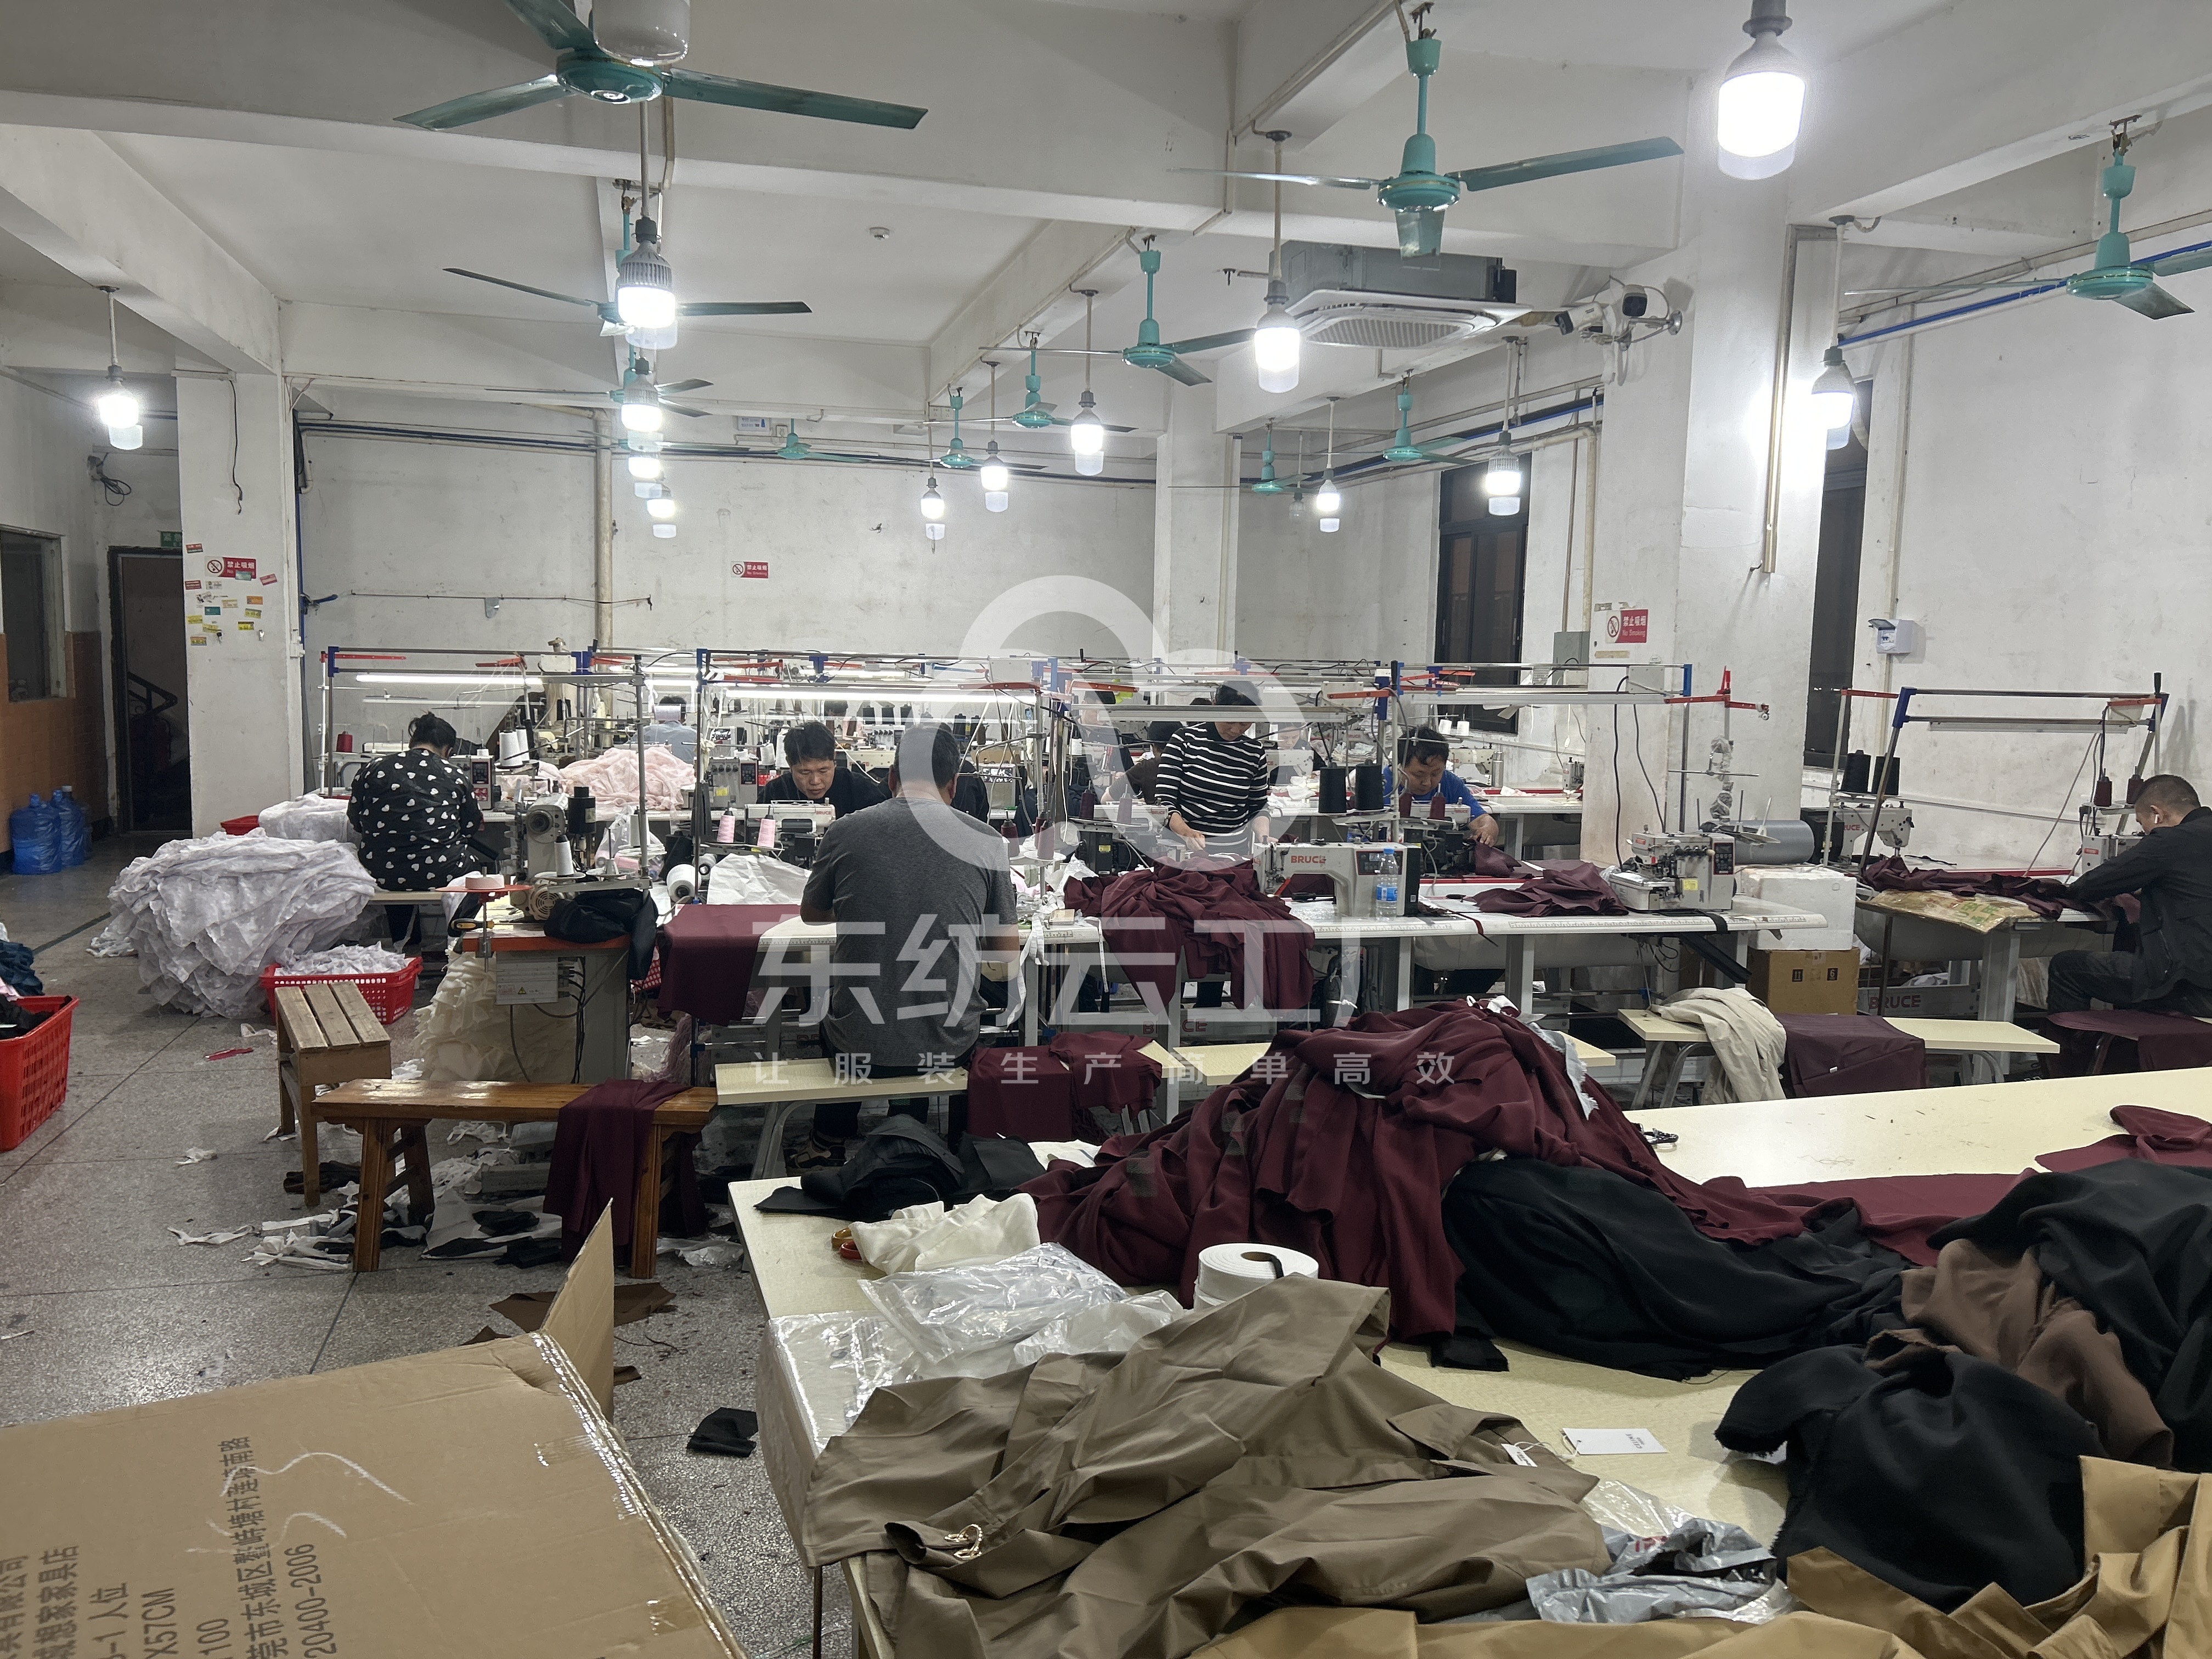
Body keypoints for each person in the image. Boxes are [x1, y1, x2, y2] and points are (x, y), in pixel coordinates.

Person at [791, 724, 1020, 1168]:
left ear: (892, 777)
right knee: (931, 1009)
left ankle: (826, 1141)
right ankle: (908, 1134)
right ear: (954, 785)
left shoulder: (845, 831)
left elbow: (812, 914)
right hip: (947, 1043)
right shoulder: (987, 841)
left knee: (857, 1013)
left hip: (859, 1042)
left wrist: (867, 903)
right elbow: (1006, 954)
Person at [2050, 774, 2212, 1014]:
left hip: (2193, 987)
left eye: (2142, 824)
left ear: (2157, 815)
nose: (2144, 833)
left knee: (2065, 967)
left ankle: (2081, 1041)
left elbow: (2091, 885)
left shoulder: (2170, 840)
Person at [346, 714, 491, 945]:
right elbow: (471, 826)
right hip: (441, 870)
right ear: (448, 750)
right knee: (475, 869)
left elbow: (355, 820)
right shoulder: (455, 775)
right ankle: (460, 941)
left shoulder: (374, 768)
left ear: (412, 742)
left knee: (395, 862)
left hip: (382, 873)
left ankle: (405, 945)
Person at [1153, 685, 1272, 856]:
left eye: (1244, 723)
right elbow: (1165, 802)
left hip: (1235, 855)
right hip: (1184, 852)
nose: (1236, 730)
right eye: (1229, 721)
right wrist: (1187, 833)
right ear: (1215, 706)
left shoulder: (1254, 751)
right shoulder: (1184, 741)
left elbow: (1258, 806)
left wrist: (1264, 837)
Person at [1392, 725, 1500, 843]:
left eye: (1435, 774)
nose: (1427, 783)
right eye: (1419, 775)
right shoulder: (1383, 785)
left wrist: (1487, 830)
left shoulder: (1451, 783)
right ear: (1400, 766)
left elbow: (1483, 819)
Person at [761, 720, 886, 817]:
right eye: (805, 772)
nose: (815, 781)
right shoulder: (775, 792)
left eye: (823, 771)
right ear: (790, 764)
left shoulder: (860, 790)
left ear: (834, 758)